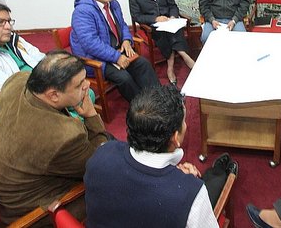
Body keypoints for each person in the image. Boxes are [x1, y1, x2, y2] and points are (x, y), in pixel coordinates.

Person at [0, 51, 109, 226]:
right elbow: (99, 166)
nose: (87, 86)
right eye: (80, 85)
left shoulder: (17, 80)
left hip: (5, 181)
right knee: (113, 182)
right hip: (28, 208)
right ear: (54, 95)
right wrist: (92, 116)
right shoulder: (64, 137)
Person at [84, 85, 238, 227]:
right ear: (175, 137)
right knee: (213, 183)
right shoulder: (190, 192)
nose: (186, 125)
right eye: (184, 122)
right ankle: (224, 172)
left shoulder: (101, 152)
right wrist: (185, 184)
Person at [71, 0, 159, 102]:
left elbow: (122, 25)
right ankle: (142, 106)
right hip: (95, 58)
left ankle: (159, 98)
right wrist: (116, 57)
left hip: (115, 50)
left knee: (143, 64)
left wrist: (127, 40)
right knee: (124, 78)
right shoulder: (82, 11)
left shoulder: (113, 3)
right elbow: (90, 43)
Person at [128, 0, 195, 85]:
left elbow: (173, 5)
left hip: (170, 21)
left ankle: (172, 66)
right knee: (165, 33)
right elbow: (136, 16)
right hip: (154, 26)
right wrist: (156, 19)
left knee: (174, 29)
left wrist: (173, 16)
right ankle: (184, 56)